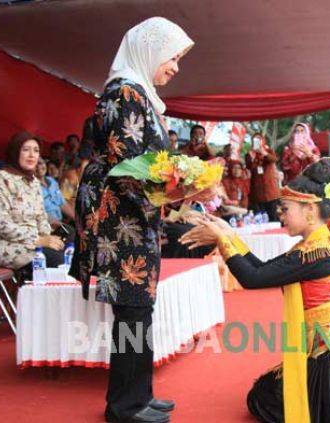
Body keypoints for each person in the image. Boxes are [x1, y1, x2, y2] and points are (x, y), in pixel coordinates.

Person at [180, 158, 330, 423]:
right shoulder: (310, 248)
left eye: (285, 209)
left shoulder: (315, 254)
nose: (280, 216)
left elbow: (253, 277)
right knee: (263, 394)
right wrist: (228, 235)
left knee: (266, 398)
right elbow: (261, 268)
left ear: (309, 210)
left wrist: (222, 240)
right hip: (327, 344)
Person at [70, 17, 194, 423]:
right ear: (149, 50)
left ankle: (140, 394)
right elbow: (129, 167)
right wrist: (177, 191)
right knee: (133, 310)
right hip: (120, 219)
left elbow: (147, 166)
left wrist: (180, 186)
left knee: (139, 309)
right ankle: (125, 406)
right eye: (172, 57)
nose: (175, 66)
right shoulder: (124, 93)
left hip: (135, 216)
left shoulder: (139, 93)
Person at [0, 132, 65, 270]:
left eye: (36, 150)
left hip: (35, 242)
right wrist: (37, 240)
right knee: (58, 260)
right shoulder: (2, 179)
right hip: (8, 245)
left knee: (70, 247)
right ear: (15, 152)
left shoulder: (33, 182)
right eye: (26, 150)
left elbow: (41, 216)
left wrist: (47, 237)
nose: (32, 155)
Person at [246, 133, 279, 221]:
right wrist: (252, 157)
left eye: (259, 139)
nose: (257, 141)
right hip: (257, 192)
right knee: (260, 218)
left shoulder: (269, 151)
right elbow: (249, 167)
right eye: (255, 140)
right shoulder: (250, 154)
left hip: (271, 191)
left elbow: (274, 160)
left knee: (273, 217)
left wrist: (263, 152)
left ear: (263, 141)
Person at [35, 158, 75, 228]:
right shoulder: (32, 187)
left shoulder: (52, 181)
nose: (38, 167)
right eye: (35, 165)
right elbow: (37, 212)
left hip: (61, 222)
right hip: (45, 226)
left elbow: (62, 203)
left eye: (40, 163)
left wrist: (77, 219)